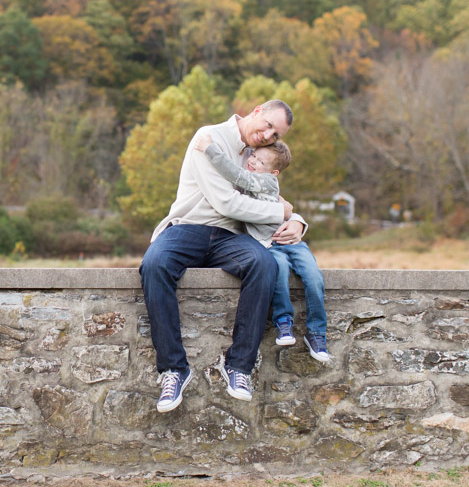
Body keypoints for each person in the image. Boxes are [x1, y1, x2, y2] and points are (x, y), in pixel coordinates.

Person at [141, 99, 305, 411]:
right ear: (257, 111)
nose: (268, 135)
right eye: (268, 124)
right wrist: (279, 211)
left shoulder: (259, 156)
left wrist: (296, 221)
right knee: (154, 263)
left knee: (264, 264)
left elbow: (272, 192)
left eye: (275, 134)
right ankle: (174, 370)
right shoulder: (210, 138)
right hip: (189, 227)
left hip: (231, 237)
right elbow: (226, 203)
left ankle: (239, 367)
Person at [193, 134, 330, 364]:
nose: (253, 161)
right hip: (269, 247)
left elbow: (235, 173)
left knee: (313, 277)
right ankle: (284, 323)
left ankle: (316, 333)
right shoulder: (245, 187)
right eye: (253, 156)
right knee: (281, 270)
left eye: (261, 162)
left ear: (273, 173)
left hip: (291, 243)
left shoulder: (265, 182)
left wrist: (209, 149)